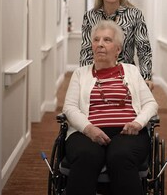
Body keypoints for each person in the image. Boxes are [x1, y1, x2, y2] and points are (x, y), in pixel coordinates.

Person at [63, 20, 158, 195]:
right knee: (86, 155)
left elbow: (151, 103)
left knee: (120, 155)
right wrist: (89, 128)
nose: (100, 44)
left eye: (107, 40)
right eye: (96, 40)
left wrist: (137, 123)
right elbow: (69, 107)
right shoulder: (80, 74)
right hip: (87, 132)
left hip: (128, 132)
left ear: (118, 49)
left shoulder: (131, 71)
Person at [80, 0, 154, 90]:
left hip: (127, 77)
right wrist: (84, 78)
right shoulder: (90, 16)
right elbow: (86, 51)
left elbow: (144, 49)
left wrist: (146, 77)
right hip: (97, 77)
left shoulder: (135, 15)